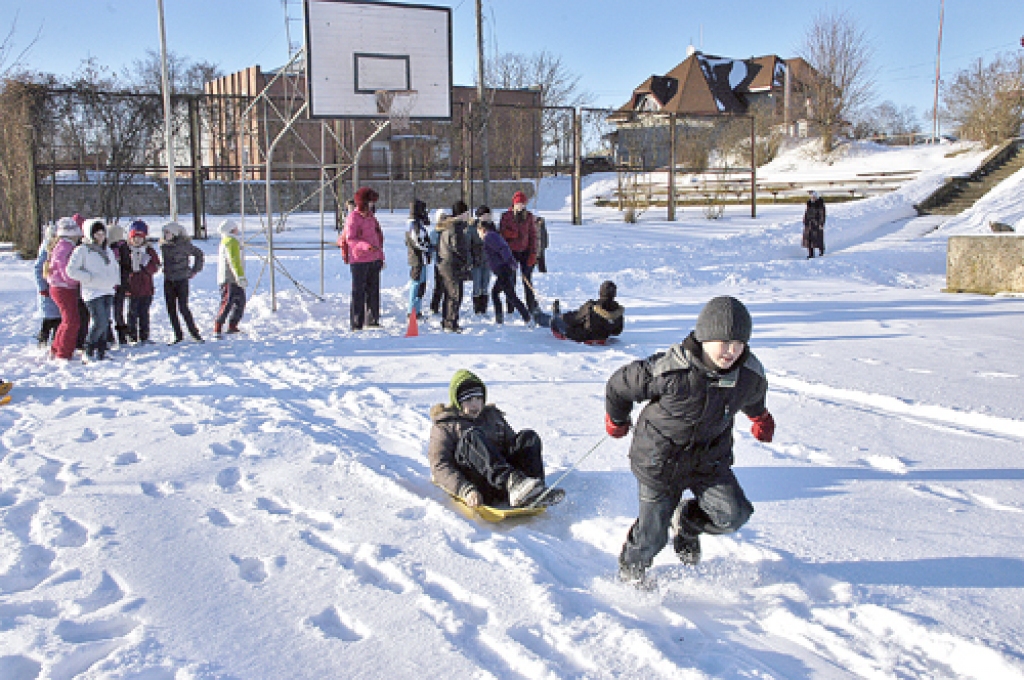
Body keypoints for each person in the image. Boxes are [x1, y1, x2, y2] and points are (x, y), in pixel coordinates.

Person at [604, 296, 775, 585]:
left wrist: (760, 417)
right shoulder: (672, 369)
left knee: (732, 515)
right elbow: (619, 385)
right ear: (704, 337)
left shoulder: (748, 374)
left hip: (708, 459)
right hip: (659, 459)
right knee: (652, 535)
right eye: (723, 341)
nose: (731, 351)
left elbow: (753, 396)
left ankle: (687, 522)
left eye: (738, 343)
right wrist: (617, 419)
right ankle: (632, 573)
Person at [428, 369, 551, 508]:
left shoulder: (492, 416)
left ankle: (534, 490)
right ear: (457, 402)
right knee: (471, 436)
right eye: (468, 400)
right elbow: (440, 466)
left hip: (506, 487)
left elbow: (512, 446)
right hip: (478, 486)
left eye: (479, 399)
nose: (475, 404)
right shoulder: (445, 426)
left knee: (527, 437)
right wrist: (466, 490)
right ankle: (512, 482)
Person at [66, 219, 121, 361]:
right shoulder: (83, 250)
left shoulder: (107, 249)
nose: (100, 236)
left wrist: (115, 280)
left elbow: (114, 266)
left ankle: (101, 350)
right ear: (90, 234)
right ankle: (88, 349)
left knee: (105, 322)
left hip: (108, 290)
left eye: (102, 233)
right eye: (97, 233)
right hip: (93, 292)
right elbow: (71, 270)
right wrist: (88, 277)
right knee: (99, 322)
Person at [339, 186, 385, 331]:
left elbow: (377, 238)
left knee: (373, 291)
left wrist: (380, 256)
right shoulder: (353, 218)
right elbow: (351, 239)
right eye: (370, 202)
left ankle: (372, 319)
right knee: (358, 292)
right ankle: (356, 322)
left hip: (374, 259)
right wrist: (365, 246)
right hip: (359, 260)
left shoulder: (371, 217)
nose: (372, 206)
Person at [478, 218, 531, 326]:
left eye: (478, 231)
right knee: (497, 293)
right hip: (503, 269)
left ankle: (526, 318)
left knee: (509, 295)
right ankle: (502, 318)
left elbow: (504, 248)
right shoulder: (493, 235)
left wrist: (510, 262)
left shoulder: (489, 236)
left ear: (482, 230)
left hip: (504, 269)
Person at [160, 221, 205, 344]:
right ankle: (177, 334)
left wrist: (195, 270)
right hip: (168, 280)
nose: (165, 235)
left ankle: (194, 332)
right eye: (164, 233)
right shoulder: (163, 246)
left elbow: (199, 254)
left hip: (181, 280)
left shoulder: (184, 245)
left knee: (183, 307)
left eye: (168, 233)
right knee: (171, 309)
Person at [45, 217, 83, 360]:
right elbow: (64, 268)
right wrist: (76, 279)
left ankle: (57, 347)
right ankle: (64, 353)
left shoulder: (64, 245)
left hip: (62, 286)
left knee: (67, 320)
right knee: (72, 321)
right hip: (63, 287)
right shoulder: (64, 246)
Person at [435, 200, 472, 333]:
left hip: (445, 264)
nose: (469, 215)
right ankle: (450, 323)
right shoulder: (456, 227)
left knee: (449, 294)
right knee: (455, 294)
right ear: (462, 214)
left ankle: (447, 320)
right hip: (452, 264)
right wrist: (466, 262)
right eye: (467, 213)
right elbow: (458, 247)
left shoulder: (449, 225)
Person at [499, 190, 539, 314]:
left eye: (522, 203)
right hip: (511, 252)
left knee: (527, 280)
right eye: (518, 203)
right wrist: (511, 234)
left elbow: (533, 236)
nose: (520, 206)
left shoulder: (529, 217)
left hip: (525, 252)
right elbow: (500, 234)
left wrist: (533, 253)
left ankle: (531, 306)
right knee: (511, 281)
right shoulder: (506, 216)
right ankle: (510, 307)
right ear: (514, 204)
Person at [550, 280, 625, 344]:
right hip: (603, 337)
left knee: (555, 320)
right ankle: (556, 313)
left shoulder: (592, 306)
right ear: (614, 294)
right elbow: (617, 331)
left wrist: (563, 317)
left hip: (583, 336)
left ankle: (549, 315)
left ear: (600, 292)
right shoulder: (617, 310)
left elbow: (574, 319)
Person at [125, 220, 161, 344]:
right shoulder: (126, 250)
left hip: (146, 288)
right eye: (135, 237)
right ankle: (132, 335)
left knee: (144, 314)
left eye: (140, 237)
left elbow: (156, 266)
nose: (137, 240)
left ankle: (144, 335)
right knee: (132, 314)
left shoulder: (149, 251)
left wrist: (146, 266)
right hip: (131, 288)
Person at [214, 219, 248, 337]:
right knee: (228, 302)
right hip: (230, 278)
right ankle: (218, 326)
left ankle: (233, 325)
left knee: (240, 301)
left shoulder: (228, 241)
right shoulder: (231, 241)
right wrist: (239, 276)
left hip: (233, 277)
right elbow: (234, 260)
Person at [33, 223, 63, 348]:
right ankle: (44, 340)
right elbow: (38, 268)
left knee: (57, 319)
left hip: (55, 287)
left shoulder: (59, 247)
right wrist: (42, 287)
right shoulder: (46, 247)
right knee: (50, 319)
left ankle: (54, 344)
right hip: (48, 288)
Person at [404, 199, 432, 320]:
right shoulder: (414, 224)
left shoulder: (416, 224)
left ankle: (417, 309)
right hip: (418, 259)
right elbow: (418, 242)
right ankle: (412, 311)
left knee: (421, 285)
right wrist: (429, 247)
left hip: (420, 259)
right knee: (416, 284)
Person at [107, 223, 131, 346]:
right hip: (108, 285)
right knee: (107, 313)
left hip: (119, 284)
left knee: (118, 312)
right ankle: (109, 336)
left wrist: (125, 283)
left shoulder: (123, 247)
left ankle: (122, 336)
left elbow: (127, 267)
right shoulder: (105, 247)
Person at [468, 206, 493, 317]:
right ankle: (477, 309)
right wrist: (470, 260)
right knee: (477, 285)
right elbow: (468, 245)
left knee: (485, 285)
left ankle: (484, 308)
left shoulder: (492, 227)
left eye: (488, 215)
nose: (486, 217)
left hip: (488, 261)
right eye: (484, 215)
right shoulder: (472, 228)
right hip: (476, 261)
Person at [803, 190, 826, 258]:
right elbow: (806, 213)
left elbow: (822, 214)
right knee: (809, 240)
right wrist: (805, 221)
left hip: (817, 224)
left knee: (818, 239)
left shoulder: (820, 204)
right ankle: (810, 254)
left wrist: (821, 223)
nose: (813, 198)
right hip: (809, 224)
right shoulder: (809, 204)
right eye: (812, 197)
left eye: (814, 197)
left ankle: (821, 251)